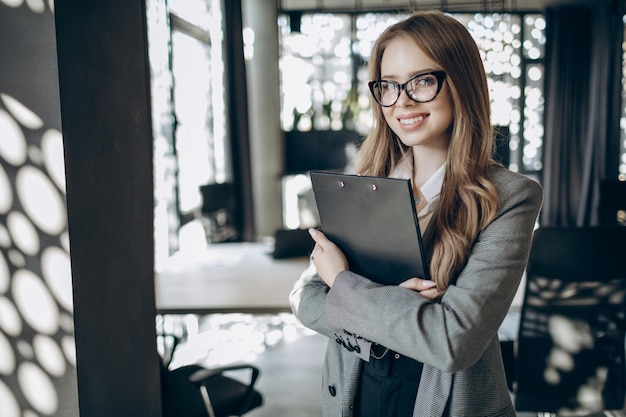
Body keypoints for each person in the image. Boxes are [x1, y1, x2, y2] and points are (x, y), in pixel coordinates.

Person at [289, 10, 543, 417]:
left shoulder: (510, 197)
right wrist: (396, 314)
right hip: (357, 397)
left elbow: (451, 342)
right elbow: (305, 298)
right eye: (388, 85)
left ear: (461, 83)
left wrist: (343, 282)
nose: (401, 101)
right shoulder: (364, 181)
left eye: (422, 81)